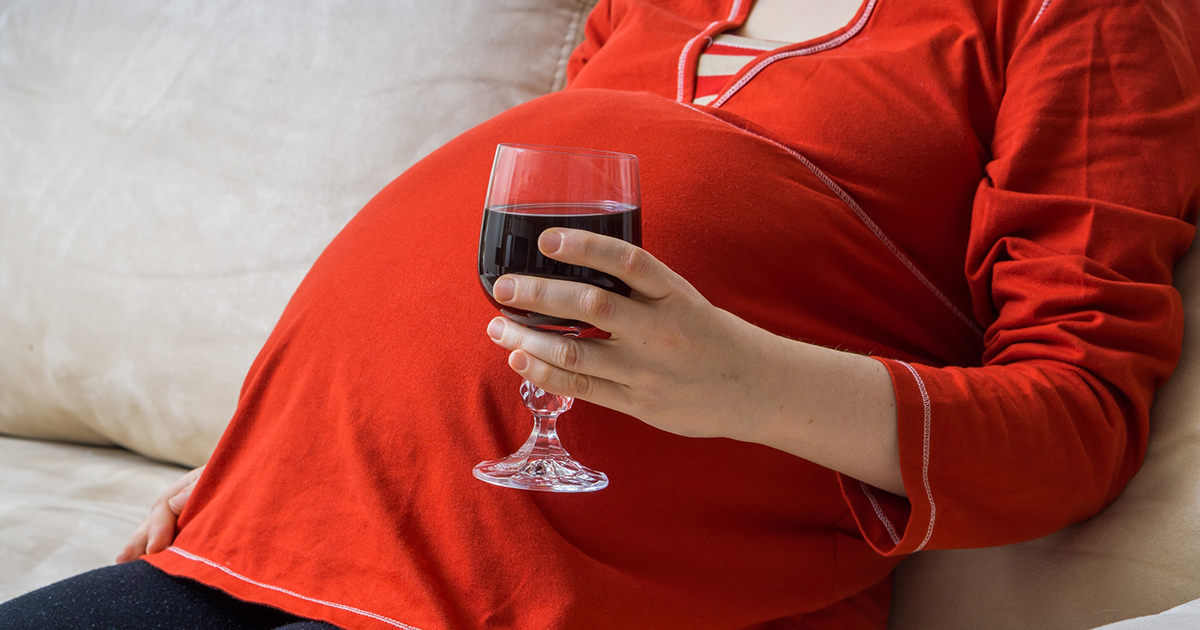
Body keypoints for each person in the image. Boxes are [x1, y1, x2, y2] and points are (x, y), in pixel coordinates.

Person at [3, 0, 1199, 628]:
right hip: (298, 530)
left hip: (623, 596)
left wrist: (748, 385)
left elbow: (1078, 420)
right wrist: (281, 450)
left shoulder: (1083, 13)